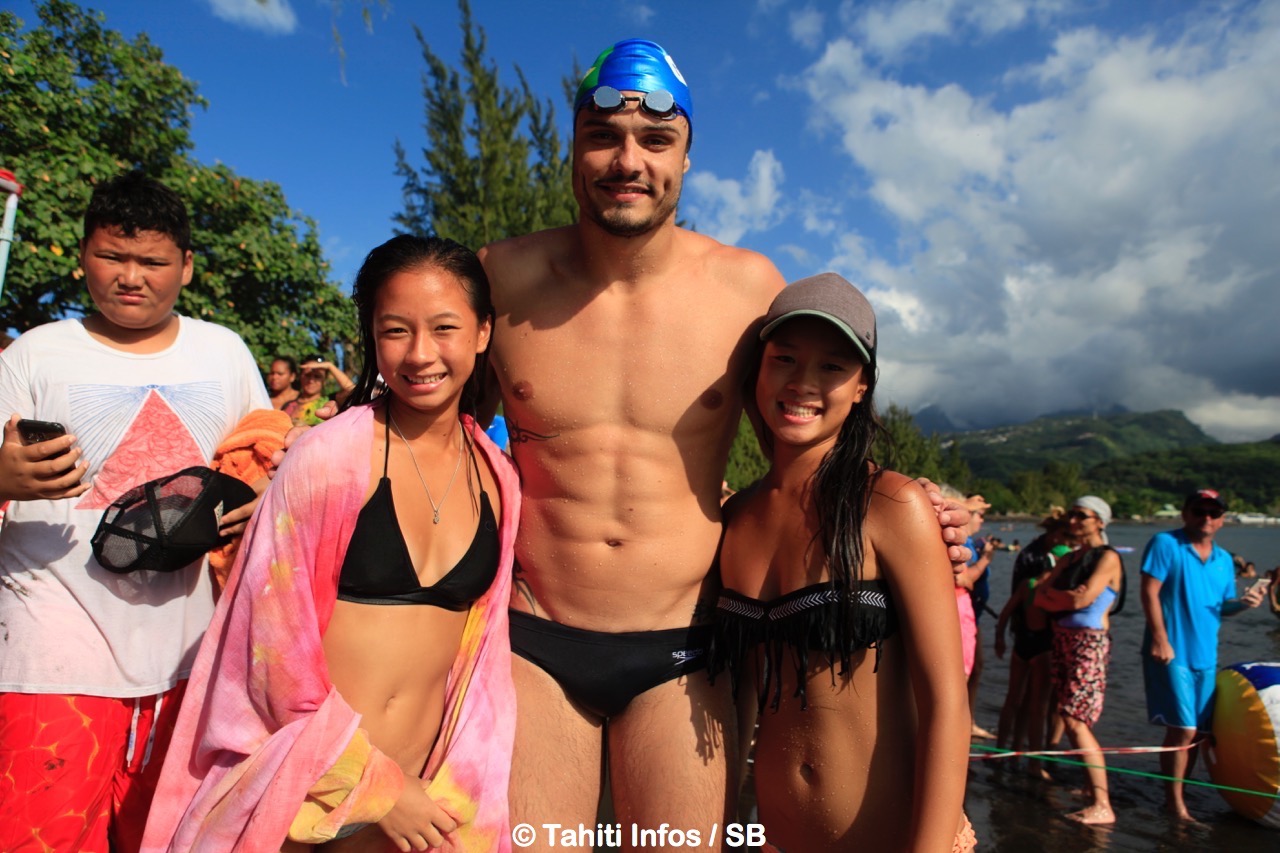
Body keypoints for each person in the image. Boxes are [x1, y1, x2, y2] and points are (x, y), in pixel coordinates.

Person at [475, 38, 973, 841]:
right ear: (573, 146)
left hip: (682, 646)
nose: (626, 160)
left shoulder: (747, 290)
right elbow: (427, 427)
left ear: (687, 156)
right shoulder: (501, 279)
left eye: (654, 141)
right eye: (603, 138)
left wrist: (914, 504)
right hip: (536, 638)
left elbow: (811, 406)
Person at [143, 235, 520, 852]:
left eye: (444, 327)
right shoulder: (327, 460)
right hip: (308, 801)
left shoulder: (498, 477)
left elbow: (482, 665)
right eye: (395, 330)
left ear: (482, 332)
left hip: (429, 800)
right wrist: (377, 787)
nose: (421, 353)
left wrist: (424, 789)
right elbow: (269, 653)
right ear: (371, 338)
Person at [0, 171, 270, 853]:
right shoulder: (34, 352)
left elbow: (264, 459)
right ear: (81, 253)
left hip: (190, 665)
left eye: (151, 261)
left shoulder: (225, 351)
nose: (130, 277)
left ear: (185, 265)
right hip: (48, 660)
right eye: (111, 256)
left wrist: (260, 497)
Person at [714, 273, 971, 851]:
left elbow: (946, 702)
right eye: (784, 358)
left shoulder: (891, 505)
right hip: (773, 835)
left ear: (861, 388)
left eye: (833, 366)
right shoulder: (732, 521)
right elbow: (739, 703)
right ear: (758, 369)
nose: (803, 382)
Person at [1140, 488, 1267, 822]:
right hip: (1171, 652)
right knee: (1182, 729)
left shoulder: (1225, 560)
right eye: (1199, 511)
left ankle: (1180, 792)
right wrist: (1159, 638)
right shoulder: (1165, 544)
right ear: (1186, 513)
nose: (1206, 518)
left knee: (1200, 732)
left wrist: (1245, 603)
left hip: (1205, 656)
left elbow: (1222, 607)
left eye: (1214, 513)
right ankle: (1175, 803)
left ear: (1222, 519)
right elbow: (1149, 591)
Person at [1035, 496, 1125, 824]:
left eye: (1081, 516)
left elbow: (1084, 598)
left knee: (1075, 719)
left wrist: (1058, 598)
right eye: (1071, 515)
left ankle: (1103, 804)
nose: (1073, 521)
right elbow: (1039, 595)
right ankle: (1091, 789)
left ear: (1099, 521)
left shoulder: (1108, 557)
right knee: (1070, 714)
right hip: (1063, 639)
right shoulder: (1074, 557)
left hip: (1088, 643)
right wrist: (1063, 599)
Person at [286, 353, 356, 426]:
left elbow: (353, 390)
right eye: (307, 375)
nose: (311, 380)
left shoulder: (331, 401)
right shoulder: (289, 404)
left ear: (324, 380)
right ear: (300, 376)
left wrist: (330, 366)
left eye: (317, 376)